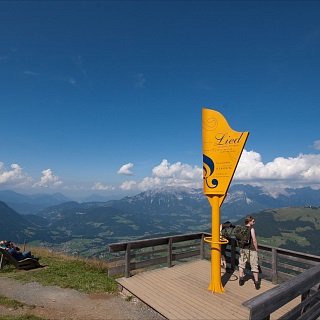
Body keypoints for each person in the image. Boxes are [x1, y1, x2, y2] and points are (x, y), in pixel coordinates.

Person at [238, 215, 260, 290]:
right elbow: (254, 240)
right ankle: (256, 283)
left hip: (242, 248)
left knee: (241, 264)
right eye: (253, 221)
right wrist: (256, 248)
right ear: (249, 221)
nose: (254, 222)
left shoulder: (242, 229)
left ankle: (241, 279)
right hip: (251, 249)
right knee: (254, 265)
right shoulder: (252, 229)